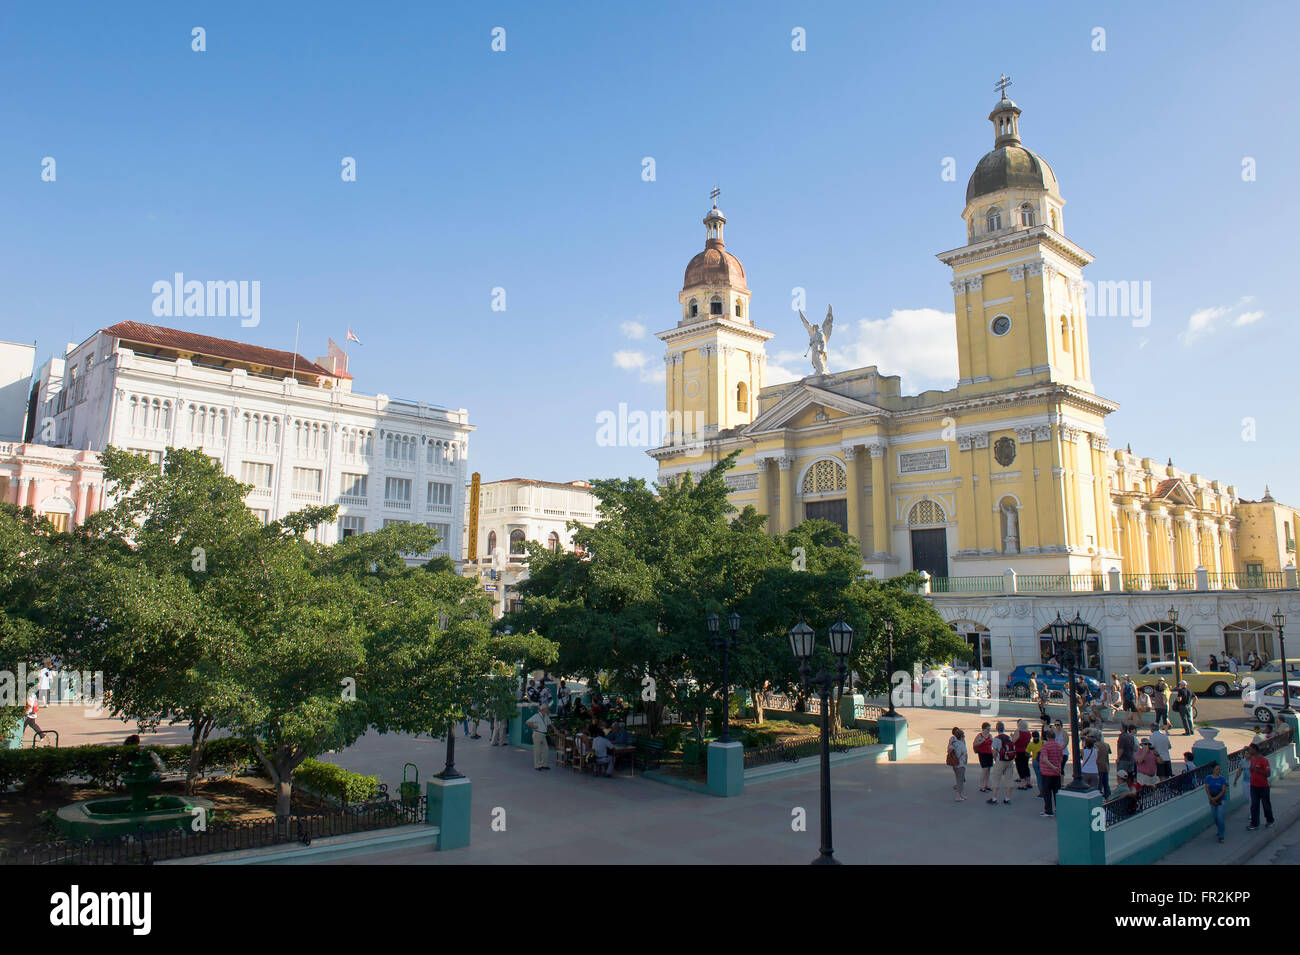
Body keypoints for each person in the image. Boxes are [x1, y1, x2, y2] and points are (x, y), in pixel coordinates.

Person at [1236, 743, 1274, 830]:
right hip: (1253, 786)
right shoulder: (1252, 759)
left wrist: (1256, 769)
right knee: (1254, 805)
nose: (1248, 751)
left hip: (1263, 786)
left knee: (1266, 804)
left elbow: (1268, 774)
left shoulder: (1264, 760)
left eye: (1250, 749)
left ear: (1254, 750)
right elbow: (1250, 770)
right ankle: (1254, 823)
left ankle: (1269, 820)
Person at [1039, 729, 1063, 817]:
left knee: (1047, 792)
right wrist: (1057, 767)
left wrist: (1052, 766)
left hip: (1047, 773)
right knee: (1056, 792)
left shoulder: (1045, 745)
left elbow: (1045, 759)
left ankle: (1048, 810)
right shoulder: (1058, 745)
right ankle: (1059, 809)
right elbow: (1061, 758)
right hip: (1057, 773)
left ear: (1047, 737)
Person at [990, 721, 1016, 804]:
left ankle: (994, 798)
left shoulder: (996, 739)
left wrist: (995, 760)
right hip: (1009, 760)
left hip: (1000, 761)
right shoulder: (1008, 738)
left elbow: (994, 752)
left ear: (997, 729)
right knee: (1009, 779)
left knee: (996, 779)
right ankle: (1007, 798)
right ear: (1004, 728)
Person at [1205, 763, 1229, 843]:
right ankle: (1219, 828)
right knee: (1215, 817)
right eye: (1216, 769)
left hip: (1221, 800)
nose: (1218, 771)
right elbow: (1207, 788)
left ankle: (1221, 835)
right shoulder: (1208, 778)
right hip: (1212, 799)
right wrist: (1211, 798)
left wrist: (1216, 798)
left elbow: (1223, 790)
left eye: (1219, 769)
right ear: (1213, 770)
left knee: (1220, 817)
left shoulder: (1222, 779)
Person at [525, 706, 552, 771]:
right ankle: (537, 765)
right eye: (547, 709)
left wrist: (555, 729)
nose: (548, 710)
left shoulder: (546, 716)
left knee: (545, 750)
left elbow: (550, 724)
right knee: (537, 750)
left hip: (543, 734)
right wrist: (534, 726)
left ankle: (544, 764)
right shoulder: (536, 716)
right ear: (543, 709)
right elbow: (527, 722)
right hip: (537, 733)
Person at [946, 727, 967, 801]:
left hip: (954, 764)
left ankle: (960, 795)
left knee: (958, 779)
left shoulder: (953, 743)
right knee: (960, 781)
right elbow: (964, 754)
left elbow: (949, 750)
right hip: (960, 764)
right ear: (961, 737)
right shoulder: (961, 745)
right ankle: (958, 796)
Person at [973, 723, 994, 793]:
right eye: (988, 729)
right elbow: (975, 744)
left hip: (989, 753)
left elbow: (992, 744)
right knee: (984, 769)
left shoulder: (990, 735)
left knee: (988, 770)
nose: (989, 730)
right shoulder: (980, 735)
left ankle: (986, 785)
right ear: (983, 729)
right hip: (982, 753)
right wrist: (981, 742)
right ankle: (981, 785)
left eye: (989, 729)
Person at [1092, 729, 1112, 798]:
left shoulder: (1095, 745)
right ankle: (1108, 797)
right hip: (1106, 766)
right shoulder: (1106, 745)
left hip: (1098, 766)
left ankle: (1099, 798)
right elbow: (1109, 752)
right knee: (1106, 784)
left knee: (1099, 785)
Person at [1014, 719, 1033, 790]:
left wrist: (1012, 736)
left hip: (1018, 751)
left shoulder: (1018, 732)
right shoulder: (1028, 733)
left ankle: (1023, 783)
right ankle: (1028, 782)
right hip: (1026, 751)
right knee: (1026, 766)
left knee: (1019, 766)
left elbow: (1014, 741)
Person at [1027, 730, 1044, 796]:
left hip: (1035, 760)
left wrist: (1031, 756)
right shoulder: (1042, 742)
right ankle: (1046, 790)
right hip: (1043, 760)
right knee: (1044, 776)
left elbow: (1027, 753)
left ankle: (1041, 791)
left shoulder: (1030, 744)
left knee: (1038, 777)